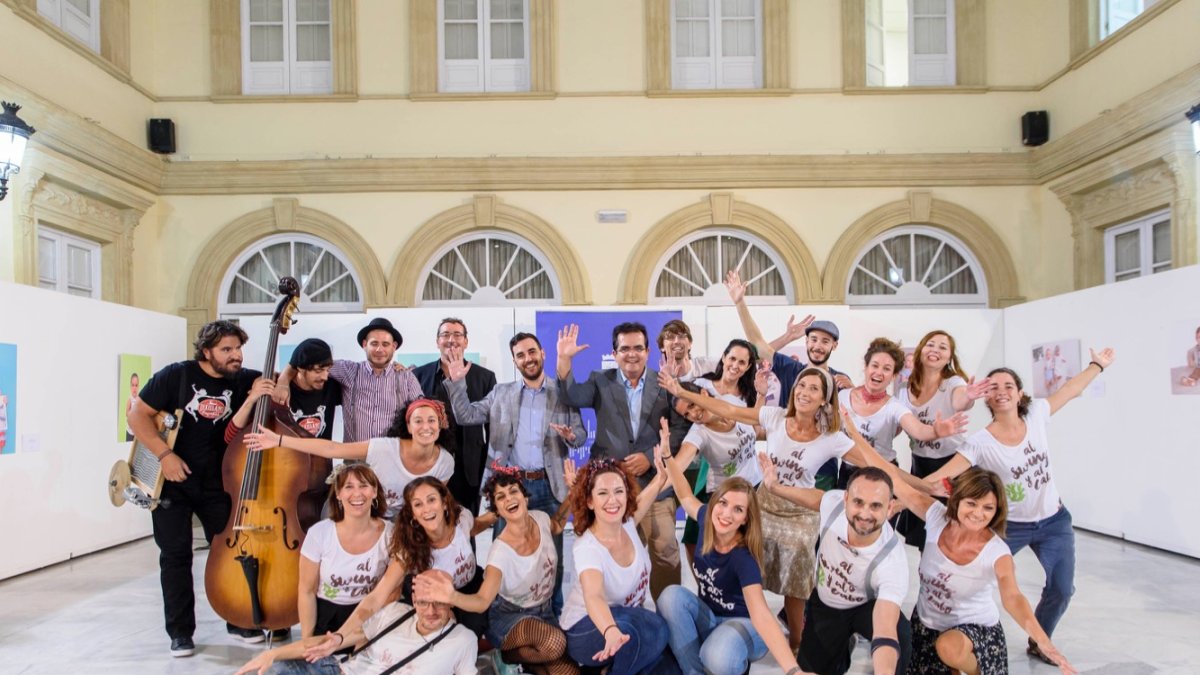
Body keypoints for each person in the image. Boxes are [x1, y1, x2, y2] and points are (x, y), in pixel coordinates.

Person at [914, 348, 1115, 664]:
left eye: (1008, 386)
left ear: (1020, 393)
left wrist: (1097, 365)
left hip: (1054, 522)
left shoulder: (1036, 415)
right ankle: (954, 638)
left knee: (1062, 589)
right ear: (987, 398)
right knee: (975, 581)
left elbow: (1070, 389)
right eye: (993, 387)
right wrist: (898, 496)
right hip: (1010, 527)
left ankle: (1040, 640)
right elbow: (940, 476)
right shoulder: (980, 442)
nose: (1002, 391)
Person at [661, 365, 873, 650]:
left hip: (800, 510)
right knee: (741, 555)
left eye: (813, 388)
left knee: (797, 568)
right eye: (801, 385)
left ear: (824, 398)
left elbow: (873, 463)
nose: (804, 392)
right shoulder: (775, 417)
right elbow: (729, 411)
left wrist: (910, 489)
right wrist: (681, 392)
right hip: (764, 502)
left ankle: (796, 640)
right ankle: (736, 620)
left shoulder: (831, 437)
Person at [850, 422, 1076, 675]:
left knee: (949, 648)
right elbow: (889, 475)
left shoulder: (997, 552)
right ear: (957, 500)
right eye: (972, 504)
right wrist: (852, 429)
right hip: (926, 628)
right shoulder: (936, 517)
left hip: (974, 636)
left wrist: (1043, 640)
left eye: (988, 508)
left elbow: (1013, 597)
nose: (978, 514)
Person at [126, 320, 275, 656]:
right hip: (172, 484)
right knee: (175, 557)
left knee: (231, 553)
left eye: (238, 348)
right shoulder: (176, 375)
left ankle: (238, 619)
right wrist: (165, 455)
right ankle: (180, 633)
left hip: (218, 485)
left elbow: (280, 383)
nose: (236, 355)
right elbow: (136, 416)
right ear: (206, 351)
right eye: (226, 349)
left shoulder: (243, 378)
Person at [442, 331, 586, 612]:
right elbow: (466, 415)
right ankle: (503, 613)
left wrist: (571, 436)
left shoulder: (563, 393)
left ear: (542, 353)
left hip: (550, 486)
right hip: (510, 488)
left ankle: (552, 613)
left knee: (552, 557)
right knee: (504, 554)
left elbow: (580, 436)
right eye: (520, 355)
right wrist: (457, 383)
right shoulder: (501, 393)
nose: (527, 359)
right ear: (514, 361)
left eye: (532, 352)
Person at [654, 420, 803, 675]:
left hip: (745, 626)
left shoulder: (743, 558)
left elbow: (762, 615)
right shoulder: (706, 518)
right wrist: (668, 456)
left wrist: (793, 670)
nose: (725, 514)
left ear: (745, 518)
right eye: (722, 503)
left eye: (738, 509)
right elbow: (685, 494)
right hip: (711, 618)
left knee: (717, 655)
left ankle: (727, 661)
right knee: (670, 597)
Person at [302, 476, 496, 661]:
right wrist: (340, 636)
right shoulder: (410, 548)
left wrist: (499, 511)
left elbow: (476, 526)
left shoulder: (461, 517)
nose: (426, 509)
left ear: (444, 503)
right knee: (441, 646)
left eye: (431, 500)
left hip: (470, 585)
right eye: (418, 504)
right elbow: (377, 596)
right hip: (433, 598)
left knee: (473, 632)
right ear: (413, 514)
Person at [556, 321, 680, 599]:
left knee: (666, 552)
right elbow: (571, 394)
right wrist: (564, 359)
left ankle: (669, 612)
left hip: (656, 485)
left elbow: (681, 429)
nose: (631, 354)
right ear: (614, 353)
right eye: (624, 349)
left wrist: (650, 458)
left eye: (638, 348)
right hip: (611, 493)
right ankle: (620, 612)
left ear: (648, 352)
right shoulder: (601, 380)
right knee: (614, 556)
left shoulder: (665, 383)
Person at [415, 468, 579, 675]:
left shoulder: (541, 518)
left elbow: (557, 525)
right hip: (509, 616)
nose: (509, 498)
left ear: (525, 498)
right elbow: (482, 601)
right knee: (555, 643)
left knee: (569, 672)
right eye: (501, 497)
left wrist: (573, 492)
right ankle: (506, 656)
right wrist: (451, 596)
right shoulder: (500, 553)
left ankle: (528, 664)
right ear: (497, 511)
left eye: (513, 491)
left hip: (543, 611)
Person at [758, 457, 911, 675]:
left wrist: (885, 671)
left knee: (900, 633)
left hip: (867, 606)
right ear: (845, 499)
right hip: (826, 603)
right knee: (813, 668)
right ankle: (842, 647)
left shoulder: (892, 560)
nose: (865, 514)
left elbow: (885, 628)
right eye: (858, 502)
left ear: (890, 509)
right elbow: (816, 499)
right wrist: (774, 487)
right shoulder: (833, 504)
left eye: (876, 506)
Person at [559, 455, 677, 674]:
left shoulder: (627, 523)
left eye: (618, 491)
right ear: (590, 501)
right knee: (651, 630)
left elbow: (655, 487)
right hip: (587, 629)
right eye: (603, 493)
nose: (613, 500)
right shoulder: (588, 548)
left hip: (628, 621)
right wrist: (610, 630)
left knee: (669, 665)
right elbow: (593, 595)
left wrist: (663, 472)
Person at [235, 570, 478, 675]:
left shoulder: (463, 639)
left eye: (439, 603)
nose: (431, 611)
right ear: (414, 601)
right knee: (270, 670)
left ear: (452, 601)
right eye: (424, 603)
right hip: (340, 670)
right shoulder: (396, 612)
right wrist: (274, 654)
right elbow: (331, 642)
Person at [245, 399, 455, 520]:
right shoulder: (385, 448)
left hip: (403, 522)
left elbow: (432, 504)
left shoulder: (445, 462)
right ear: (408, 426)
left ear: (440, 425)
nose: (425, 427)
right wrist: (279, 440)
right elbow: (333, 448)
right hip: (365, 513)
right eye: (418, 421)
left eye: (431, 421)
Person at [895, 330, 991, 547]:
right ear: (920, 350)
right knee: (925, 534)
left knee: (954, 533)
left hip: (953, 465)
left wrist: (968, 396)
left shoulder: (953, 382)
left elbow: (960, 400)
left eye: (942, 347)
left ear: (949, 357)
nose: (935, 350)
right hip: (920, 464)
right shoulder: (903, 389)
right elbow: (896, 425)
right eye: (930, 344)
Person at [837, 337, 967, 489]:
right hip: (847, 471)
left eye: (887, 369)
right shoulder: (843, 397)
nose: (879, 372)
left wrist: (935, 431)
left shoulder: (894, 406)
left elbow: (918, 429)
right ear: (866, 367)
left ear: (893, 376)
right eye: (875, 365)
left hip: (882, 474)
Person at [273, 317, 423, 442]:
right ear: (364, 344)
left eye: (385, 344)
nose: (379, 349)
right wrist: (283, 381)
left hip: (393, 459)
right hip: (354, 461)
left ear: (394, 346)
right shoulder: (348, 370)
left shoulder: (407, 378)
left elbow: (422, 413)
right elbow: (306, 360)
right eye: (374, 343)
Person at [298, 463, 392, 640]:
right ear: (338, 494)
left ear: (374, 491)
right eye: (349, 487)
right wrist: (307, 640)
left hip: (370, 616)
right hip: (327, 617)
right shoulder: (319, 533)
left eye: (363, 486)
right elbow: (306, 591)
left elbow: (392, 590)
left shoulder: (391, 534)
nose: (357, 493)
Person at [413, 318, 497, 514]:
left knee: (467, 522)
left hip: (470, 465)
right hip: (431, 461)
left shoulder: (485, 377)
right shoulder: (418, 375)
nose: (451, 340)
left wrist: (490, 468)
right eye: (445, 335)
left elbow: (492, 427)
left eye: (457, 335)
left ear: (465, 342)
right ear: (437, 341)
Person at [125, 372, 140, 441]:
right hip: (130, 432)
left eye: (136, 385)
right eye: (133, 385)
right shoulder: (130, 399)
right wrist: (131, 413)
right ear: (130, 386)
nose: (134, 388)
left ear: (138, 386)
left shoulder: (139, 399)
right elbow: (126, 413)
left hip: (137, 432)